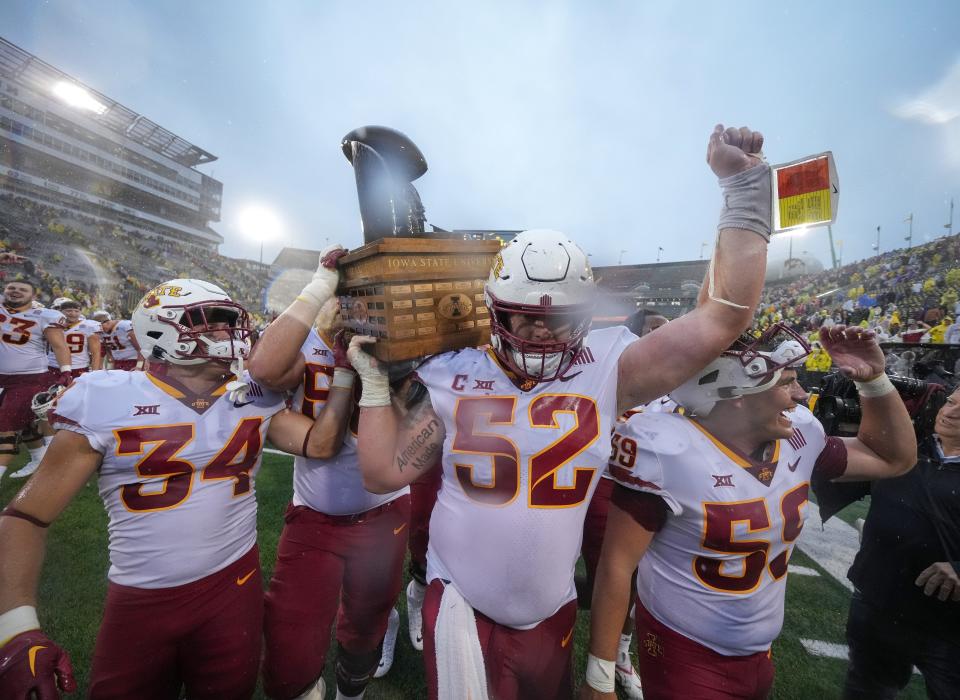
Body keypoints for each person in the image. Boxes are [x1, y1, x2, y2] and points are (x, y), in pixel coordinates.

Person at [350, 124, 772, 699]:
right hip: (462, 608)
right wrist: (375, 384)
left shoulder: (612, 366)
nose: (538, 330)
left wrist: (743, 187)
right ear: (494, 308)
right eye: (522, 314)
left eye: (557, 318)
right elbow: (382, 473)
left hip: (555, 612)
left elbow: (723, 318)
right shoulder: (454, 372)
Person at [0, 277, 351, 700]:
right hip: (139, 597)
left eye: (229, 323)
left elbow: (320, 444)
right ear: (160, 329)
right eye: (213, 323)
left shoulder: (253, 397)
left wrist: (346, 377)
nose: (230, 333)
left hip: (234, 586)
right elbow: (26, 516)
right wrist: (15, 628)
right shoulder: (104, 395)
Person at [583, 324, 917, 699]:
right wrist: (599, 674)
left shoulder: (798, 436)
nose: (800, 395)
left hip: (761, 651)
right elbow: (617, 565)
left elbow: (893, 458)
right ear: (734, 392)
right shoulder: (667, 450)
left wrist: (875, 382)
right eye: (786, 382)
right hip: (686, 650)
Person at [248, 255, 411, 700]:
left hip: (383, 511)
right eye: (350, 298)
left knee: (364, 625)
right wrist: (320, 287)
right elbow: (262, 369)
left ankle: (351, 689)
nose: (359, 310)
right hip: (315, 515)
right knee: (289, 638)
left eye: (370, 301)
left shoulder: (401, 347)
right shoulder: (307, 347)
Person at [815, 385, 960, 699]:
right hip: (879, 601)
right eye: (950, 402)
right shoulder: (906, 447)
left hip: (949, 623)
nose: (950, 412)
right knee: (867, 689)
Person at [579, 308, 671, 699]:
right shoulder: (611, 363)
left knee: (630, 578)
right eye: (653, 328)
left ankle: (618, 652)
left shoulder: (673, 371)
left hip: (638, 485)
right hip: (595, 479)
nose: (661, 337)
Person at [0, 279, 71, 481]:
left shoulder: (45, 316)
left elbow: (59, 345)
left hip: (29, 378)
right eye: (11, 287)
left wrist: (66, 372)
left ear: (34, 296)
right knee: (23, 424)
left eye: (22, 289)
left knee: (6, 428)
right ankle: (39, 458)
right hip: (2, 378)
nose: (15, 291)